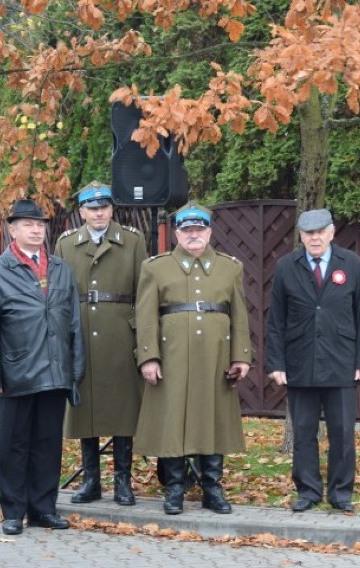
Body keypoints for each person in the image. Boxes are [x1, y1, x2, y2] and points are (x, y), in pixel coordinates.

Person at [0, 199, 85, 535]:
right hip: (15, 374)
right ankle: (12, 511)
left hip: (55, 373)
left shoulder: (61, 269)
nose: (36, 230)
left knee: (48, 444)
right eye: (28, 225)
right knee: (13, 446)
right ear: (12, 229)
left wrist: (75, 370)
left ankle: (43, 509)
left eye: (40, 225)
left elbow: (74, 323)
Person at [133, 202, 252, 515]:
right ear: (177, 234)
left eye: (199, 229)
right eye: (187, 230)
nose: (194, 235)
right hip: (171, 358)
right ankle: (174, 488)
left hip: (216, 359)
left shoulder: (230, 267)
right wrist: (149, 358)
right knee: (172, 422)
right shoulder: (155, 267)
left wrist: (241, 355)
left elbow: (239, 315)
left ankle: (212, 487)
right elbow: (146, 316)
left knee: (214, 419)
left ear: (209, 232)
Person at [265, 208, 360, 513]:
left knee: (342, 433)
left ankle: (341, 493)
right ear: (301, 236)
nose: (314, 238)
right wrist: (276, 364)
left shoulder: (350, 263)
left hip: (342, 361)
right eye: (308, 233)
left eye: (320, 232)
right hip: (300, 361)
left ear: (331, 232)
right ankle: (308, 491)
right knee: (303, 432)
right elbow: (276, 320)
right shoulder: (287, 266)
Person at [54, 181, 148, 506]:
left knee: (124, 411)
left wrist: (139, 333)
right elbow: (58, 294)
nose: (99, 213)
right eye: (92, 208)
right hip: (82, 334)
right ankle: (91, 480)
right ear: (81, 212)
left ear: (112, 209)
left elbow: (145, 293)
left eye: (104, 207)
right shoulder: (66, 244)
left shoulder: (133, 241)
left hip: (121, 335)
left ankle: (123, 481)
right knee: (86, 409)